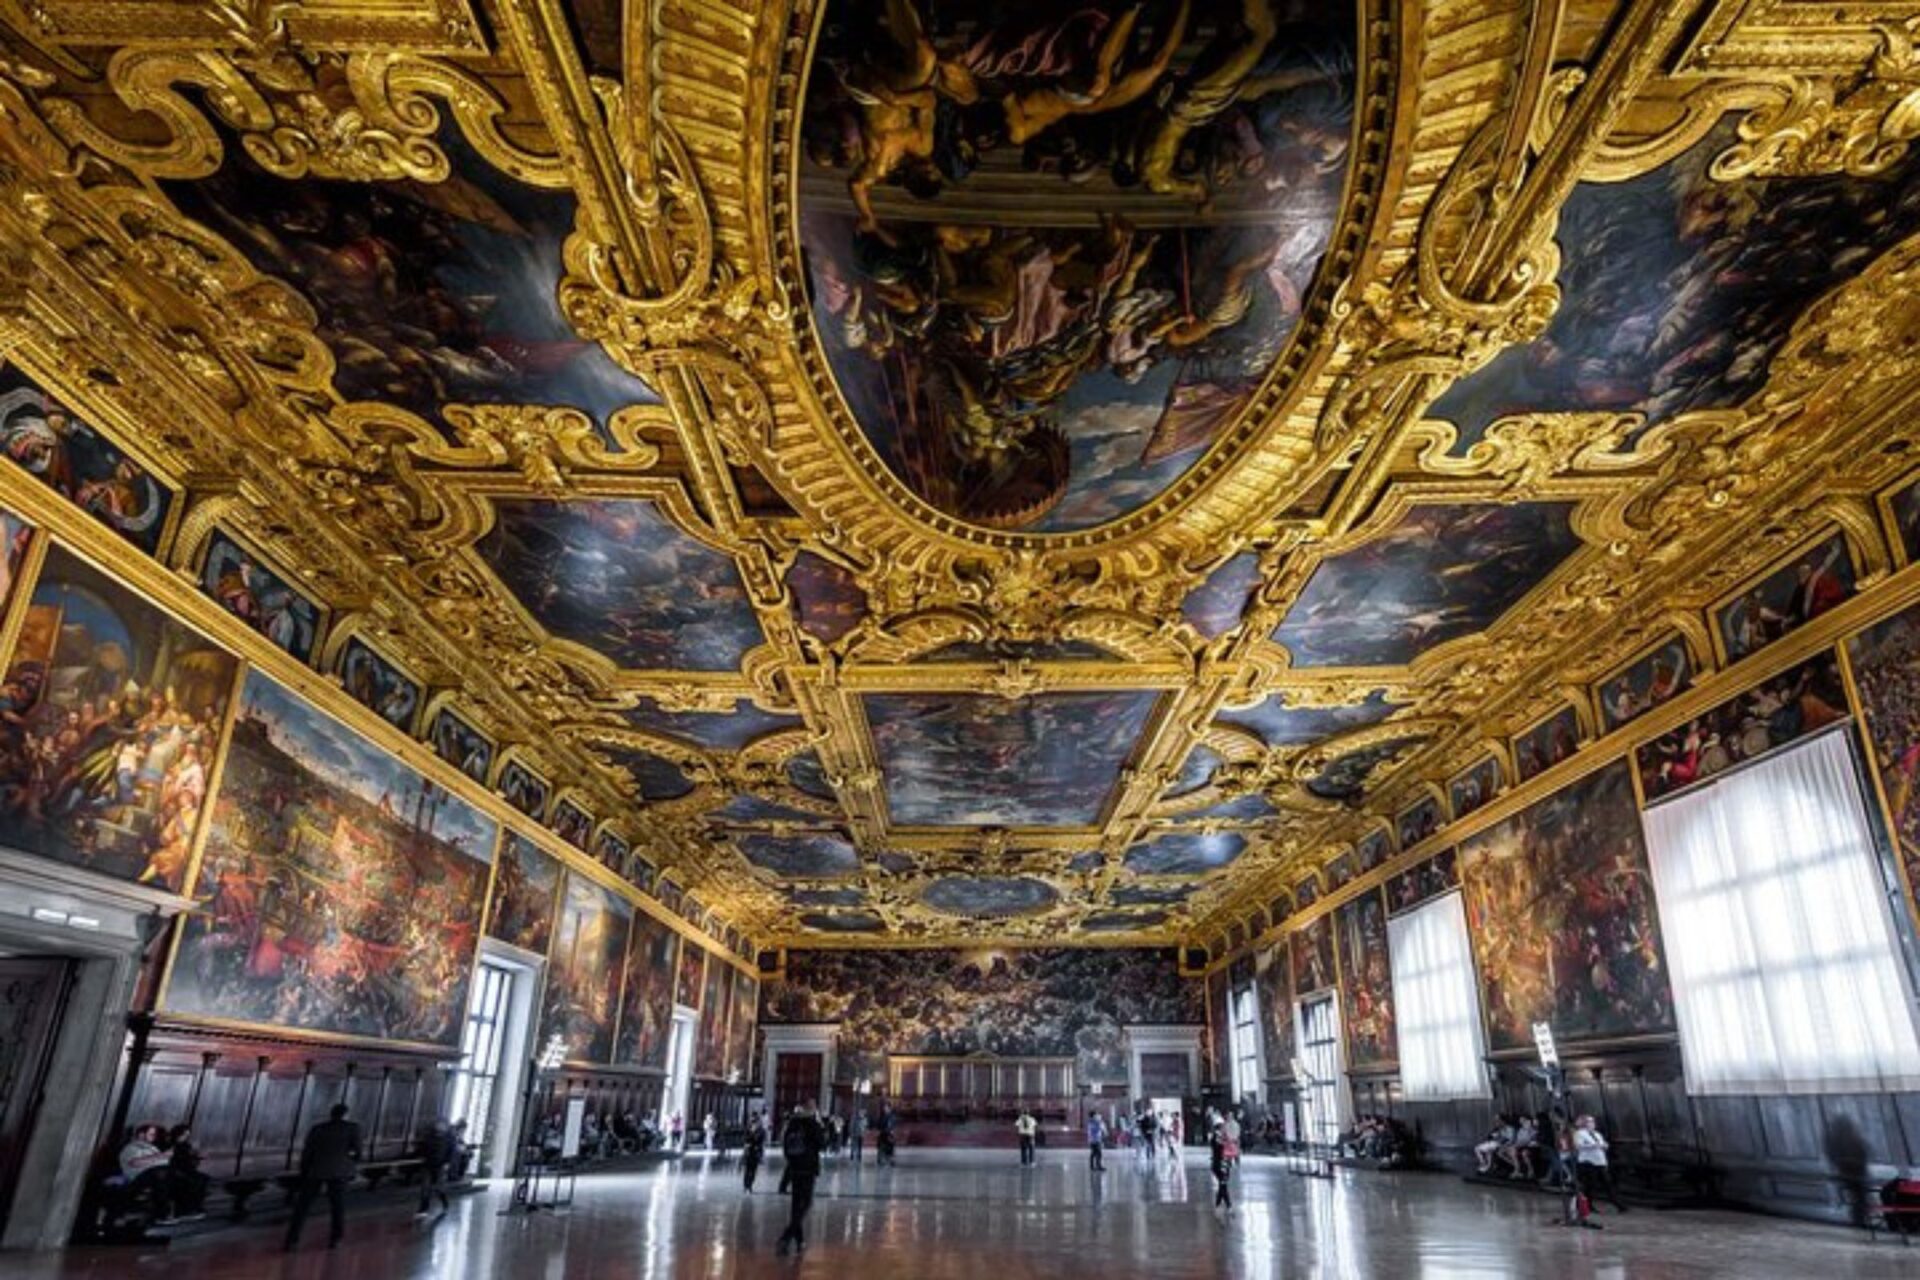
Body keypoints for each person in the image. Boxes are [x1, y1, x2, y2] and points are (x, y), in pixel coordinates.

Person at [284, 1104, 362, 1252]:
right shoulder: (352, 1128)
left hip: (316, 1170)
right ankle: (336, 1239)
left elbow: (307, 1152)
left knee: (302, 1208)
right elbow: (358, 1152)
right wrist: (351, 1161)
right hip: (339, 1172)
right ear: (346, 1114)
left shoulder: (318, 1128)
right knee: (337, 1208)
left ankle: (291, 1240)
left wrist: (304, 1171)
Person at [776, 1099, 827, 1257]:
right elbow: (822, 1144)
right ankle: (786, 1236)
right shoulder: (812, 1123)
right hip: (808, 1168)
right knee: (806, 1203)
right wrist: (819, 1125)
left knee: (796, 1205)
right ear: (811, 1109)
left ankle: (799, 1241)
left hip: (794, 1168)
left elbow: (784, 1144)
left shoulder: (792, 1123)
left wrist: (791, 1161)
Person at [1573, 1115, 1627, 1215]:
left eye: (1593, 1121)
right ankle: (1586, 1205)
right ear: (1585, 1123)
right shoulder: (1579, 1133)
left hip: (1599, 1162)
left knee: (1607, 1184)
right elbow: (1579, 1146)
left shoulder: (1597, 1134)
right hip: (1588, 1163)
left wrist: (1605, 1146)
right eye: (1590, 1122)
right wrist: (1594, 1146)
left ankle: (1619, 1204)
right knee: (1590, 1186)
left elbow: (1602, 1144)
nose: (1592, 1123)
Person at [117, 1124, 173, 1219]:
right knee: (159, 1173)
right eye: (151, 1134)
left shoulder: (152, 1148)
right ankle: (161, 1212)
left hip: (158, 1174)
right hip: (138, 1178)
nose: (154, 1137)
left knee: (173, 1174)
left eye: (154, 1134)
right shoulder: (132, 1147)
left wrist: (163, 1158)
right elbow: (134, 1163)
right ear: (141, 1135)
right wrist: (159, 1157)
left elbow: (164, 1162)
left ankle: (185, 1209)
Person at [163, 1125, 208, 1221]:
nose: (185, 1137)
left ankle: (194, 1207)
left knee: (203, 1178)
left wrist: (197, 1157)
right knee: (190, 1180)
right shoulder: (169, 1144)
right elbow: (170, 1159)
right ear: (177, 1134)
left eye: (187, 1135)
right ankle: (183, 1210)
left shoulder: (186, 1145)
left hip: (185, 1169)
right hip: (172, 1169)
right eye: (183, 1135)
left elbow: (188, 1158)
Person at [414, 1117, 457, 1218]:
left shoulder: (450, 1138)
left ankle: (444, 1202)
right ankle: (423, 1209)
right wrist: (419, 1155)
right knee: (425, 1187)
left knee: (439, 1188)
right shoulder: (429, 1136)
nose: (439, 1126)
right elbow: (422, 1148)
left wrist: (447, 1163)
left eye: (442, 1124)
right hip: (428, 1164)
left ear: (446, 1126)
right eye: (438, 1124)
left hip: (441, 1165)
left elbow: (451, 1153)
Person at [1210, 1120, 1236, 1210]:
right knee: (1223, 1183)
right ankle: (1228, 1204)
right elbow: (1219, 1148)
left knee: (1223, 1184)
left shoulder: (1222, 1138)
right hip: (1220, 1164)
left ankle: (1219, 1202)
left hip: (1223, 1163)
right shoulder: (1217, 1138)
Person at [743, 1111, 766, 1192]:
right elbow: (745, 1138)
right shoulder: (748, 1127)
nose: (753, 1120)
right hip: (748, 1151)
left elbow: (761, 1139)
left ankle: (750, 1185)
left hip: (756, 1152)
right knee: (747, 1170)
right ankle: (746, 1185)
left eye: (755, 1118)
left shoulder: (761, 1129)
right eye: (752, 1118)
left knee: (753, 1170)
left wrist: (753, 1135)